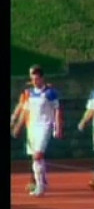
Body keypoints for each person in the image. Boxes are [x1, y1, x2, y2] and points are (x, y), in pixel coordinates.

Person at [11, 65, 62, 197]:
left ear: (42, 78)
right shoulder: (29, 93)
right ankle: (41, 181)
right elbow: (25, 110)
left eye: (36, 79)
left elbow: (57, 110)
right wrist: (18, 125)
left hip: (44, 126)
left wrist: (57, 126)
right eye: (32, 79)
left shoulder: (50, 93)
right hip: (32, 128)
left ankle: (40, 186)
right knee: (36, 158)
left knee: (37, 155)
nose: (34, 81)